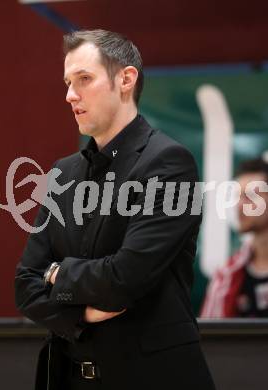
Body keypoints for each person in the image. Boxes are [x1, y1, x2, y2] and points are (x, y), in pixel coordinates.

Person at [15, 29, 215, 390]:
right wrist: (83, 314)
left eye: (84, 79)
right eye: (67, 82)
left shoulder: (169, 163)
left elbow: (124, 280)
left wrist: (58, 274)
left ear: (125, 79)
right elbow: (25, 286)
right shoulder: (62, 172)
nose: (69, 94)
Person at [201, 158, 268, 318]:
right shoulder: (226, 276)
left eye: (251, 196)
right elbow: (212, 339)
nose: (239, 205)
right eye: (239, 196)